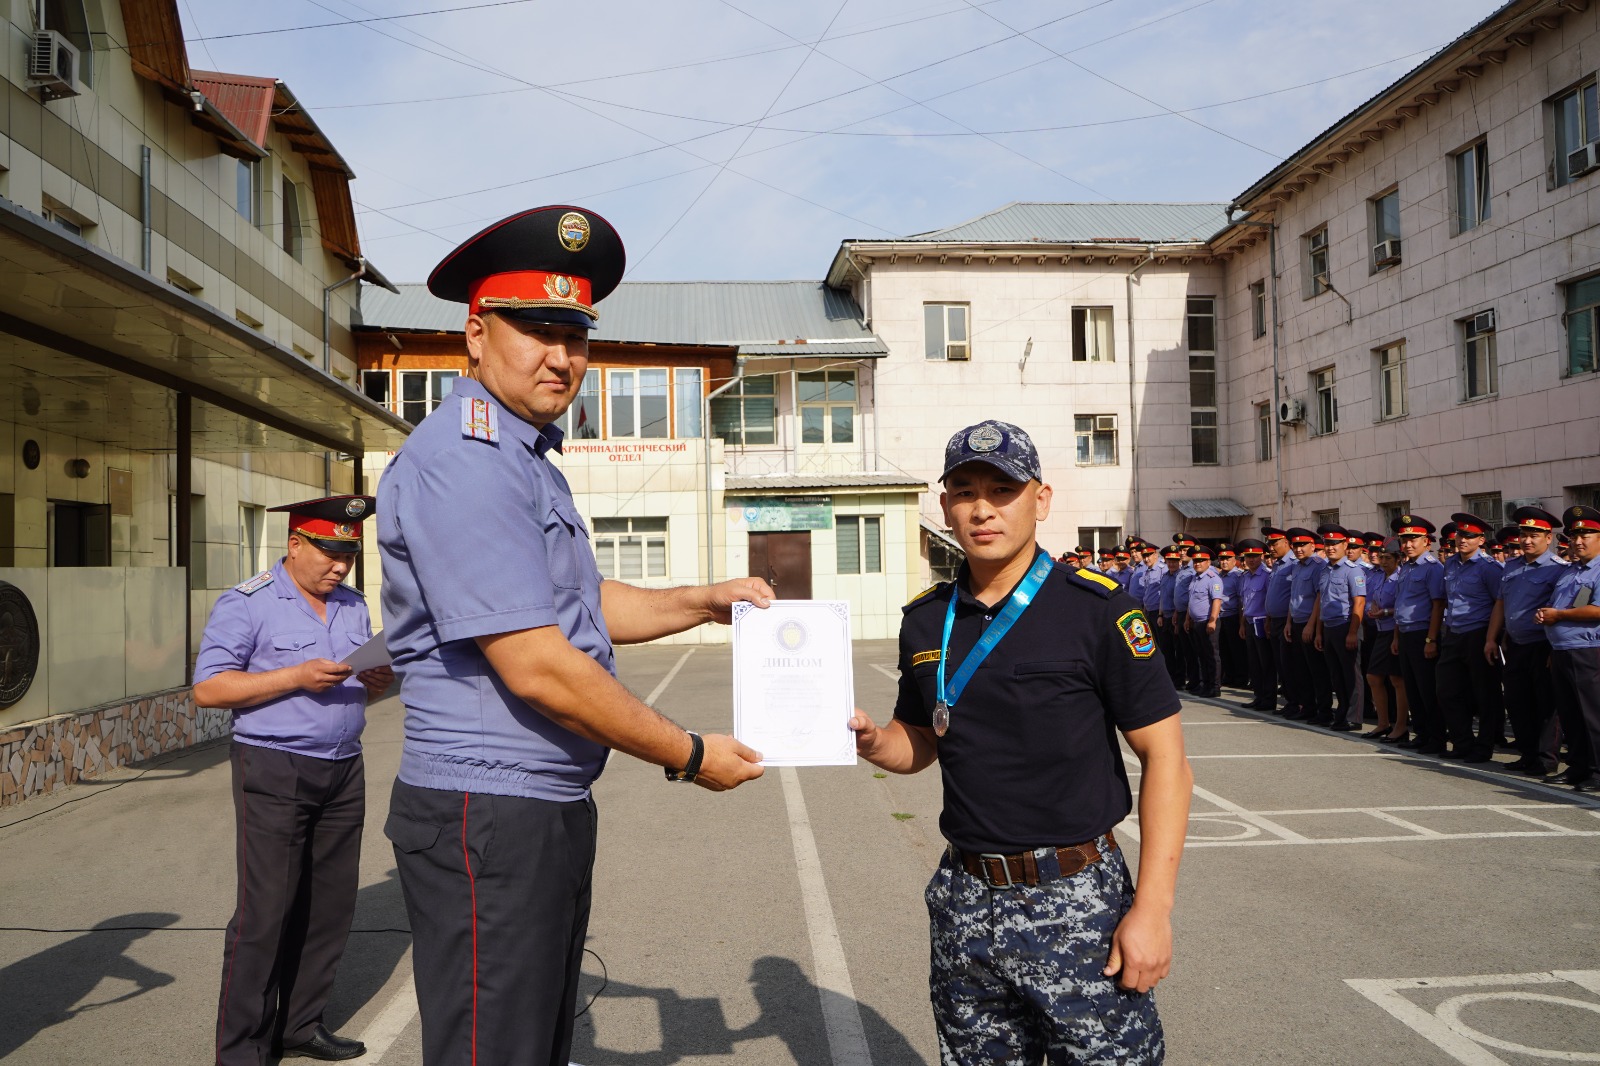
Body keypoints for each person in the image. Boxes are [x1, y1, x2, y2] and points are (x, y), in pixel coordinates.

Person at [376, 206, 768, 1066]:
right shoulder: (468, 460)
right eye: (536, 331)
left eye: (576, 335)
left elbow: (577, 605)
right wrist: (690, 752)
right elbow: (539, 665)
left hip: (532, 806)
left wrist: (701, 601)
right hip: (491, 811)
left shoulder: (520, 456)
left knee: (529, 1044)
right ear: (475, 337)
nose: (562, 356)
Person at [848, 420, 1192, 1064]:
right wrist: (871, 740)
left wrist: (1152, 909)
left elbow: (1166, 759)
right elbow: (919, 741)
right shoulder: (926, 619)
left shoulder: (1097, 611)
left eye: (1003, 489)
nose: (983, 508)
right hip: (965, 898)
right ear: (945, 504)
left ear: (1041, 499)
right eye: (965, 490)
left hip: (1078, 902)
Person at [193, 495, 394, 1065]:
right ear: (295, 544)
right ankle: (242, 1050)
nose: (340, 566)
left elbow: (353, 680)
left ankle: (300, 1025)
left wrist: (372, 681)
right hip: (274, 767)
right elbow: (209, 688)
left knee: (329, 908)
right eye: (329, 551)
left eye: (349, 554)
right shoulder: (249, 603)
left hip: (343, 766)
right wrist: (296, 677)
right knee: (266, 913)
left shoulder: (352, 604)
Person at [1488, 507, 1565, 775]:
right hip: (1515, 644)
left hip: (1542, 645)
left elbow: (1560, 610)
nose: (1527, 540)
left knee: (1545, 703)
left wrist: (1554, 648)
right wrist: (1491, 638)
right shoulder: (1511, 566)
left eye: (1534, 535)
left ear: (1548, 537)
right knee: (1518, 701)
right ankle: (1527, 753)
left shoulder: (1558, 570)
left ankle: (1546, 759)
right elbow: (1501, 603)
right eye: (1524, 534)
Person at [1535, 506, 1600, 792]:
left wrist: (1558, 616)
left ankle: (1598, 772)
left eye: (1586, 534)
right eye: (1574, 535)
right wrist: (1548, 616)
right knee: (1571, 713)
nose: (1578, 541)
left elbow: (1597, 610)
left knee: (1593, 715)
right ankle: (1578, 766)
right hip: (1562, 649)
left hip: (1589, 651)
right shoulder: (1570, 570)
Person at [1436, 513, 1505, 762]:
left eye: (1469, 536)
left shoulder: (1490, 568)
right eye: (1460, 535)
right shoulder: (1451, 563)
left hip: (1479, 633)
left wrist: (1492, 638)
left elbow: (1500, 603)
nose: (1462, 540)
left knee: (1484, 694)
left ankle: (1483, 746)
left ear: (1481, 539)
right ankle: (1462, 741)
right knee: (1447, 691)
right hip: (1454, 632)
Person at [1390, 515, 1446, 753]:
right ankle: (1421, 734)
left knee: (1427, 689)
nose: (1408, 544)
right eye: (1405, 540)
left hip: (1423, 633)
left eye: (1414, 539)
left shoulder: (1432, 568)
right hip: (1405, 633)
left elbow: (1437, 604)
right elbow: (1401, 603)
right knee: (1412, 688)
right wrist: (1396, 636)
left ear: (1427, 542)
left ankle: (1436, 738)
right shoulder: (1406, 568)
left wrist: (1431, 639)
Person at [1310, 524, 1366, 732]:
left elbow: (1359, 603)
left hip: (1346, 626)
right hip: (1329, 627)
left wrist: (1353, 632)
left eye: (1335, 543)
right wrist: (1318, 632)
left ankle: (1354, 716)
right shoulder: (1324, 570)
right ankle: (1341, 714)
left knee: (1351, 674)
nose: (1331, 547)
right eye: (1327, 543)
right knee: (1336, 675)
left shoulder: (1354, 570)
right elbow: (1322, 601)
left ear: (1345, 544)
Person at [1364, 539, 1409, 741]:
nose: (1383, 561)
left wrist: (1386, 611)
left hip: (1394, 630)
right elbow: (1373, 599)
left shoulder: (1400, 577)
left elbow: (1401, 606)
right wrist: (1373, 609)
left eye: (1388, 558)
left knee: (1397, 680)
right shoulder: (1380, 577)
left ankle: (1400, 726)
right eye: (1381, 557)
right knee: (1373, 677)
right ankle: (1383, 724)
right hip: (1381, 630)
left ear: (1398, 559)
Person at [1286, 529, 1330, 723]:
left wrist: (1311, 625)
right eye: (1295, 546)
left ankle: (1324, 711)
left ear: (1313, 546)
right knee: (1300, 669)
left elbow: (1319, 598)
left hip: (1309, 623)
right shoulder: (1296, 567)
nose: (1298, 549)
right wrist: (1288, 622)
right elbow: (1293, 596)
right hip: (1296, 621)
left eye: (1302, 545)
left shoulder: (1318, 566)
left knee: (1317, 671)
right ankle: (1308, 707)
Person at [1237, 539, 1274, 710]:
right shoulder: (1244, 577)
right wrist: (1242, 624)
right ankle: (1258, 696)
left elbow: (1269, 601)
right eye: (1248, 556)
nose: (1251, 560)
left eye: (1255, 556)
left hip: (1262, 622)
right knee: (1253, 662)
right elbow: (1245, 602)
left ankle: (1268, 698)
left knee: (1265, 662)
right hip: (1250, 622)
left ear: (1261, 557)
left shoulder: (1267, 575)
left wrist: (1268, 621)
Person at [1263, 528, 1296, 716]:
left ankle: (1295, 702)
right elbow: (1272, 594)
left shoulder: (1292, 563)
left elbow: (1293, 595)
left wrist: (1289, 622)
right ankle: (1290, 701)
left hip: (1287, 620)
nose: (1271, 547)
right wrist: (1268, 618)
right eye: (1269, 544)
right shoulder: (1277, 565)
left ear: (1285, 542)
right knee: (1280, 664)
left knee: (1288, 664)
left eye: (1274, 543)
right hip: (1274, 620)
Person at [1184, 545, 1223, 698]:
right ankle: (1205, 684)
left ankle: (1214, 686)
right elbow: (1191, 600)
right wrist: (1188, 619)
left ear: (1208, 562)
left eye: (1201, 560)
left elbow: (1216, 601)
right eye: (1195, 560)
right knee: (1201, 654)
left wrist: (1212, 621)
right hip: (1196, 622)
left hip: (1208, 622)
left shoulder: (1213, 579)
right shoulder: (1195, 578)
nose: (1197, 563)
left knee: (1212, 655)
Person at [1216, 545, 1247, 688]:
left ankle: (1240, 677)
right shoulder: (1218, 576)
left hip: (1233, 615)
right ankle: (1228, 675)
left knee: (1236, 649)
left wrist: (1241, 623)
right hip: (1220, 616)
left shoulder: (1238, 576)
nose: (1224, 562)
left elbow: (1241, 600)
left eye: (1227, 558)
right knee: (1223, 648)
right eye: (1222, 559)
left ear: (1235, 560)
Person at [1156, 547, 1185, 690]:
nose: (1172, 564)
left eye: (1175, 561)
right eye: (1169, 561)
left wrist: (1176, 614)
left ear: (1179, 561)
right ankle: (1170, 678)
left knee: (1178, 650)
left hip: (1176, 617)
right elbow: (1162, 597)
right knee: (1166, 650)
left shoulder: (1181, 576)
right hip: (1165, 616)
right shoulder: (1165, 576)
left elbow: (1180, 598)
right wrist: (1160, 614)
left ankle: (1179, 680)